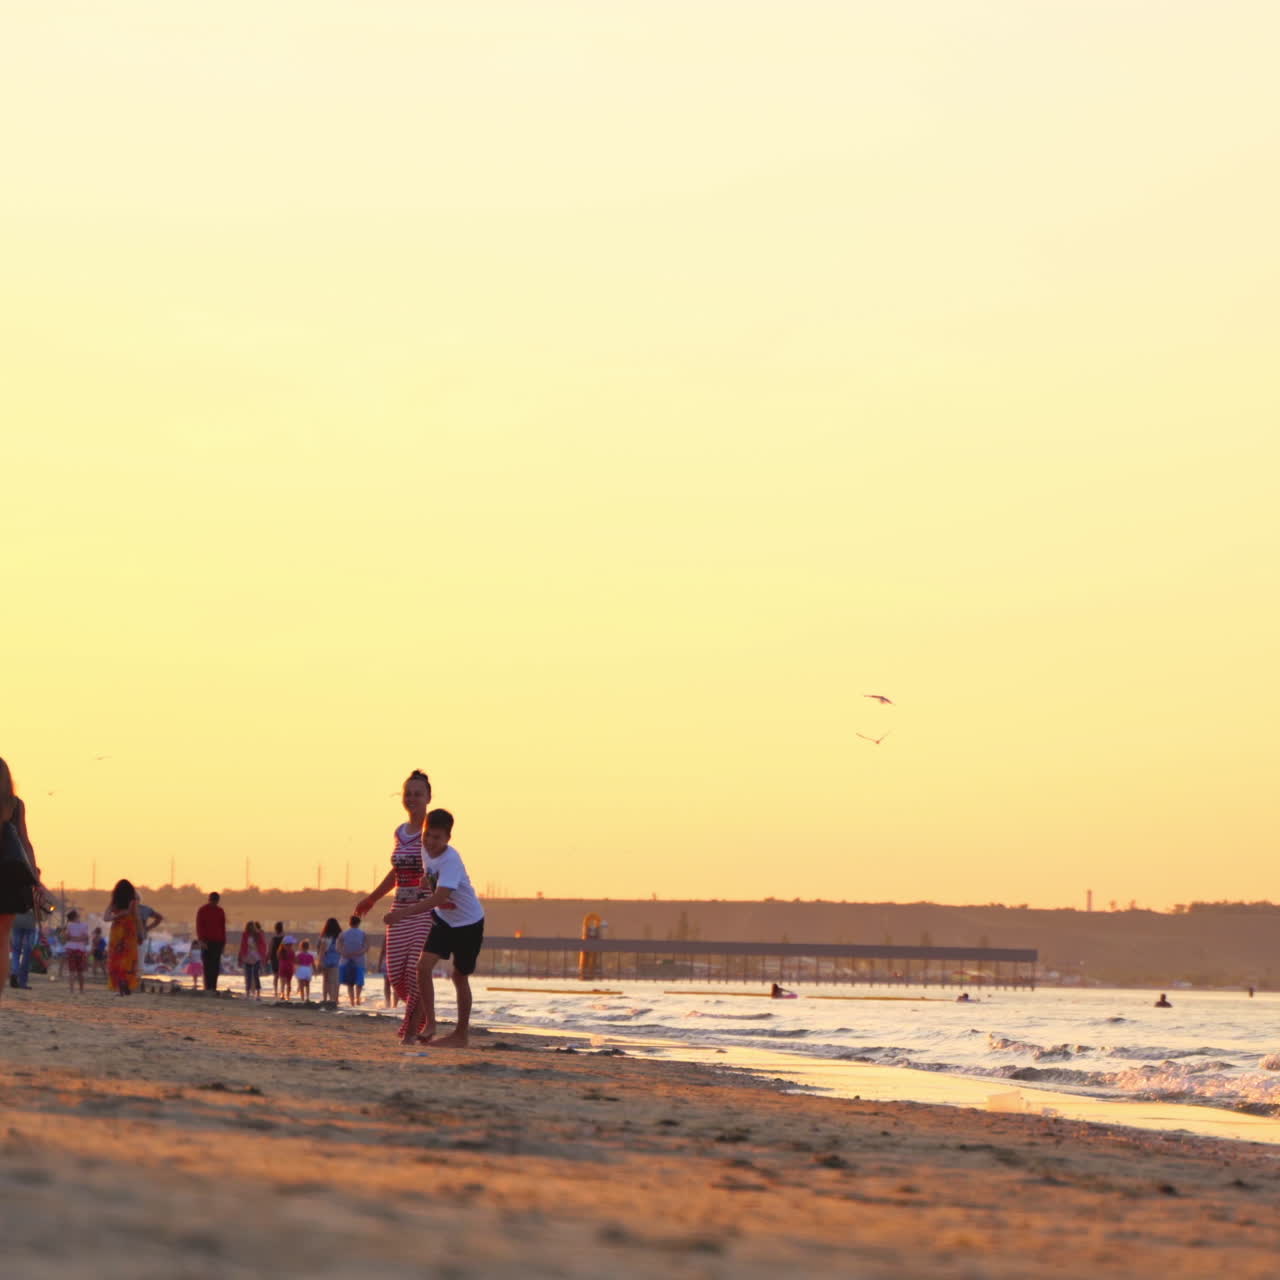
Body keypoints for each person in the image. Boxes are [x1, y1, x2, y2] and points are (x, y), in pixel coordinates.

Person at [384, 809, 484, 1048]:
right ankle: (430, 1022)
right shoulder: (424, 849)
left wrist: (402, 913)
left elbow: (439, 897)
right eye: (428, 835)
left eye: (437, 838)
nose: (430, 842)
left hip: (468, 923)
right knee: (422, 967)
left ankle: (461, 1035)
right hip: (444, 921)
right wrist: (423, 881)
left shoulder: (451, 860)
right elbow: (429, 877)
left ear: (448, 839)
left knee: (459, 976)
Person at [355, 770, 436, 1039]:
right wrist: (372, 898)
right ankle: (422, 1018)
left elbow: (442, 869)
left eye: (418, 794)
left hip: (425, 912)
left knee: (416, 971)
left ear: (428, 797)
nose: (412, 798)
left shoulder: (432, 833)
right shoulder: (400, 833)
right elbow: (396, 872)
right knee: (396, 974)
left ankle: (413, 1031)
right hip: (399, 912)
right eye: (408, 794)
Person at [1, 757, 48, 1000]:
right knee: (3, 941)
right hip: (8, 876)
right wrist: (34, 876)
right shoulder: (15, 805)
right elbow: (24, 842)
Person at [104, 879, 145, 996]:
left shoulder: (114, 902)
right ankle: (126, 982)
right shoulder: (133, 902)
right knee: (129, 958)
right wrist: (141, 933)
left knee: (116, 958)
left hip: (116, 932)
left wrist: (117, 915)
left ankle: (119, 984)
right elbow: (137, 917)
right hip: (129, 931)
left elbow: (105, 918)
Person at [195, 891, 227, 992]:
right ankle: (207, 986)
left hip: (218, 942)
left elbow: (222, 927)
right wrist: (201, 940)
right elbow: (199, 926)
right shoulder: (202, 910)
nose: (214, 903)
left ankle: (213, 987)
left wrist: (223, 943)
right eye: (213, 901)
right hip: (206, 941)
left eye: (215, 901)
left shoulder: (220, 911)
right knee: (207, 965)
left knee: (215, 965)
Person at [339, 914, 368, 1006]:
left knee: (350, 983)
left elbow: (338, 946)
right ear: (359, 923)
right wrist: (359, 953)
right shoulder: (363, 933)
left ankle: (352, 1001)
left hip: (345, 960)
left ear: (349, 923)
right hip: (359, 961)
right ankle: (358, 999)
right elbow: (366, 947)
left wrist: (344, 953)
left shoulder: (343, 933)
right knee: (359, 982)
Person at [238, 920, 267, 1001]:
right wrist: (241, 957)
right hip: (247, 957)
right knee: (248, 976)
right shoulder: (245, 935)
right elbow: (242, 945)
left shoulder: (258, 935)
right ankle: (247, 994)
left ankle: (258, 994)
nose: (250, 928)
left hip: (256, 957)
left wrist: (262, 957)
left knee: (255, 975)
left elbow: (263, 946)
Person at [63, 909, 89, 994]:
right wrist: (79, 939)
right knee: (80, 971)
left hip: (71, 948)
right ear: (75, 916)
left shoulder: (69, 926)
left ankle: (72, 990)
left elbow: (67, 937)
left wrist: (73, 938)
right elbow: (86, 938)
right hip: (80, 949)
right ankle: (81, 990)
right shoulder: (84, 925)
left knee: (72, 971)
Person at [318, 917, 343, 1005]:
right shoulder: (340, 937)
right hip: (337, 961)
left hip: (326, 960)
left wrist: (320, 962)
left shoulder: (325, 937)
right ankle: (334, 999)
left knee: (326, 981)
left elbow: (322, 951)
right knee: (335, 981)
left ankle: (325, 999)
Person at [276, 935, 296, 1001]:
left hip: (284, 968)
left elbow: (278, 958)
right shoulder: (291, 952)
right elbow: (294, 960)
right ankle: (286, 995)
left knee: (284, 983)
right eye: (289, 945)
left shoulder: (281, 951)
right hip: (288, 968)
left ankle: (284, 995)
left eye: (290, 945)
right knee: (287, 983)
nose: (290, 946)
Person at [268, 921, 285, 998]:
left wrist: (267, 957)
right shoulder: (284, 938)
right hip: (282, 958)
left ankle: (275, 991)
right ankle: (282, 991)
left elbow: (270, 949)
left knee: (276, 976)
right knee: (282, 976)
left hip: (274, 958)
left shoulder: (273, 939)